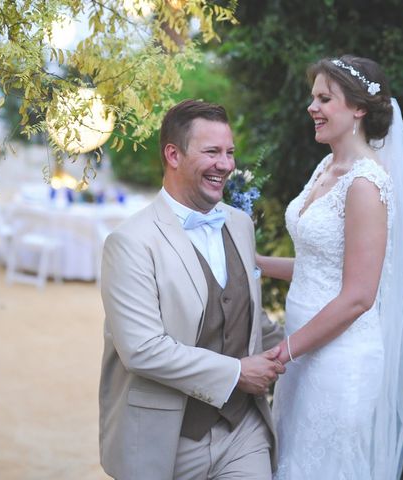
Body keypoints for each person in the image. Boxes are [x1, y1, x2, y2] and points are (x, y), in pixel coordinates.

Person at [98, 99, 285, 480]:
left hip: (243, 433)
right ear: (173, 154)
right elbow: (142, 349)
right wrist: (235, 373)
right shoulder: (131, 242)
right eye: (212, 152)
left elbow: (245, 316)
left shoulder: (239, 224)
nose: (226, 164)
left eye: (230, 153)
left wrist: (310, 347)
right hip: (168, 441)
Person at [257, 55, 403, 479]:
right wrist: (251, 263)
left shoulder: (365, 184)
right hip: (303, 349)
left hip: (338, 360)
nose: (312, 107)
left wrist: (285, 351)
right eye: (313, 98)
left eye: (325, 98)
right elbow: (316, 266)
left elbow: (359, 296)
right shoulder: (327, 167)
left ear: (359, 109)